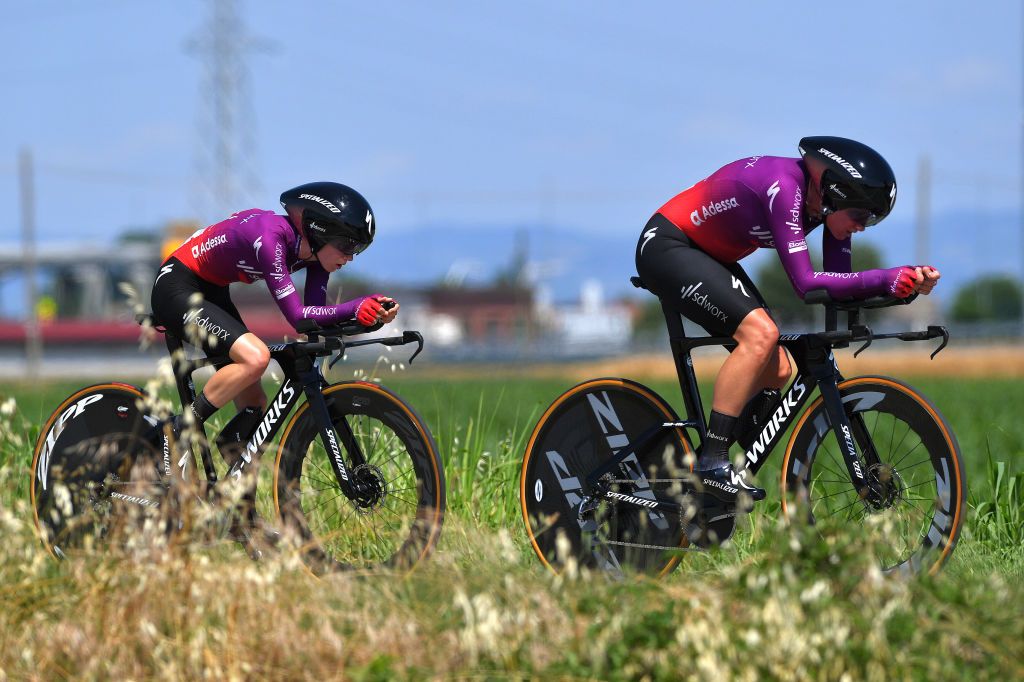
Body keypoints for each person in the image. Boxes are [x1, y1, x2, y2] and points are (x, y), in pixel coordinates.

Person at [635, 136, 940, 502]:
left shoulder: (824, 209)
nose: (863, 226)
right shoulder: (786, 189)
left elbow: (839, 286)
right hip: (669, 245)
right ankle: (711, 463)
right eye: (862, 215)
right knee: (762, 335)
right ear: (835, 193)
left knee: (778, 368)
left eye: (872, 221)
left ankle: (702, 479)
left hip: (707, 255)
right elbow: (806, 284)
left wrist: (903, 288)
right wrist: (886, 277)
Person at [150, 181, 398, 483]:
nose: (351, 257)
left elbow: (314, 322)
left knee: (254, 407)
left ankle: (242, 515)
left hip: (212, 293)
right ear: (319, 230)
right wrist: (355, 306)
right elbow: (297, 316)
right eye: (347, 245)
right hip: (176, 287)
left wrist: (371, 319)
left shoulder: (315, 256)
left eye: (358, 249)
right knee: (255, 358)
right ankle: (178, 430)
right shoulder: (271, 237)